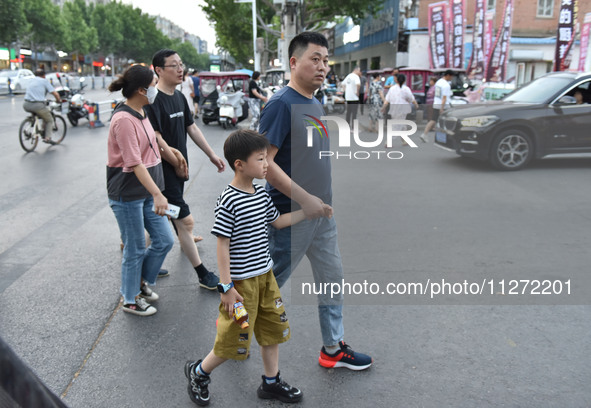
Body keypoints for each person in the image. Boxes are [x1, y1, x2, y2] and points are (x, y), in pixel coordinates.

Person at [184, 130, 327, 405]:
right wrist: (226, 287)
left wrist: (308, 211)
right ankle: (199, 372)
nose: (266, 165)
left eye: (266, 159)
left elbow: (277, 221)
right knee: (232, 337)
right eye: (261, 159)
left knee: (271, 331)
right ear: (239, 164)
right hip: (239, 287)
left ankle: (271, 382)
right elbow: (222, 245)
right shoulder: (229, 199)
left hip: (265, 278)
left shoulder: (260, 194)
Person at [258, 31, 373, 371]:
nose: (323, 67)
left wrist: (319, 203)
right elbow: (265, 164)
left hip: (321, 215)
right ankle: (230, 334)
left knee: (332, 279)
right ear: (294, 62)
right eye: (315, 59)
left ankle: (333, 349)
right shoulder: (281, 104)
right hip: (291, 216)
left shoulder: (314, 101)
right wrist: (306, 200)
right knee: (266, 287)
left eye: (326, 60)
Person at [146, 49, 226, 290]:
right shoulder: (152, 101)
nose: (180, 69)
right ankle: (203, 274)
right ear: (158, 70)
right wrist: (178, 164)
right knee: (185, 222)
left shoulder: (180, 97)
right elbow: (157, 142)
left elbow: (191, 128)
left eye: (181, 64)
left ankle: (149, 261)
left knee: (162, 213)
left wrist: (211, 154)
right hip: (162, 171)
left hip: (178, 170)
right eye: (174, 65)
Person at [107, 65, 182, 316]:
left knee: (164, 240)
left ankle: (139, 283)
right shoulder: (124, 119)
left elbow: (152, 148)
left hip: (147, 191)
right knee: (135, 247)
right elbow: (134, 162)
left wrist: (173, 155)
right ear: (141, 90)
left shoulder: (141, 112)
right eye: (153, 83)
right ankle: (130, 298)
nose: (155, 88)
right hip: (127, 193)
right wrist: (158, 194)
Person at [22, 69, 62, 144]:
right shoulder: (44, 81)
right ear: (44, 75)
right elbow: (55, 94)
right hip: (37, 105)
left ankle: (32, 126)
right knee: (49, 119)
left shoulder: (31, 80)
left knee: (40, 114)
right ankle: (47, 138)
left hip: (26, 104)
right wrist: (58, 100)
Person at [382, 74, 418, 147]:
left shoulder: (392, 89)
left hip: (393, 109)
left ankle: (404, 140)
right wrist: (416, 105)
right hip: (402, 109)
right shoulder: (406, 89)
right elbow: (411, 98)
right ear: (404, 81)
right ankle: (388, 141)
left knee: (402, 124)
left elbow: (387, 100)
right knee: (397, 125)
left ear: (396, 80)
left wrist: (383, 107)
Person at [421, 70, 454, 143]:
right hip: (444, 106)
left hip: (436, 103)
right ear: (448, 75)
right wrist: (442, 108)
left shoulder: (438, 82)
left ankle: (424, 134)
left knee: (433, 119)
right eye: (452, 76)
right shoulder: (446, 85)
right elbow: (444, 98)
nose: (452, 78)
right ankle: (446, 137)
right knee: (447, 121)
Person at [419, 77, 437, 143]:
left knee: (432, 116)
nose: (430, 82)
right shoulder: (431, 87)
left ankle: (431, 128)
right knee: (431, 116)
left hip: (432, 103)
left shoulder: (435, 87)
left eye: (431, 81)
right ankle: (430, 128)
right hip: (429, 103)